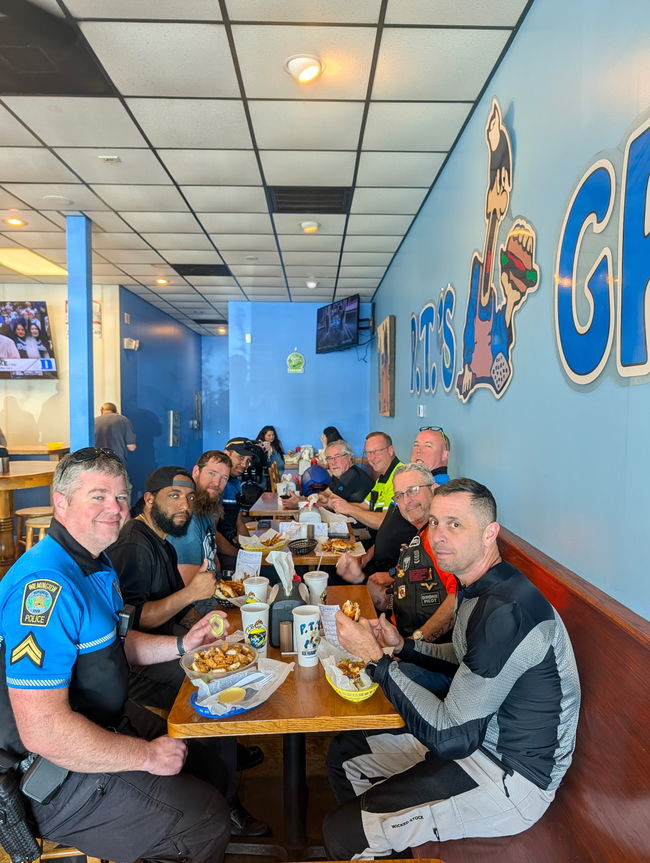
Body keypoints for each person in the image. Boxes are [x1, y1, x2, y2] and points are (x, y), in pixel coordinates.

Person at [324, 478, 581, 859]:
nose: (439, 535)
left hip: (510, 777)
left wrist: (377, 660)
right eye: (434, 522)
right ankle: (384, 842)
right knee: (346, 755)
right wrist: (403, 647)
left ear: (490, 533)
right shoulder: (479, 586)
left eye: (455, 524)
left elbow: (450, 737)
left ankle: (369, 837)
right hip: (477, 734)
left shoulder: (504, 612)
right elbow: (465, 661)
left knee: (340, 834)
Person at [0, 448, 232, 863]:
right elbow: (44, 732)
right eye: (99, 496)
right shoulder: (44, 586)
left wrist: (184, 645)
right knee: (205, 822)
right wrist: (147, 756)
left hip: (101, 721)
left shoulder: (94, 562)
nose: (115, 508)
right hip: (47, 771)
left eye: (121, 496)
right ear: (61, 502)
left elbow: (115, 643)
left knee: (208, 757)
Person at [109, 464, 267, 788]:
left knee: (232, 655)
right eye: (174, 496)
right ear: (149, 499)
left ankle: (226, 755)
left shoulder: (163, 542)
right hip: (134, 661)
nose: (184, 505)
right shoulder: (134, 544)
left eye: (189, 498)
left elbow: (174, 608)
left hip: (166, 641)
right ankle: (223, 794)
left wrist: (205, 626)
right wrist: (192, 593)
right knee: (217, 684)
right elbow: (134, 620)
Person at [337, 463, 457, 646]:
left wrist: (409, 647)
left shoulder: (443, 538)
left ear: (434, 489)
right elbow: (390, 602)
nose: (407, 501)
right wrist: (360, 579)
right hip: (392, 635)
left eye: (413, 490)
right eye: (399, 496)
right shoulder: (415, 541)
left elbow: (455, 602)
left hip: (421, 651)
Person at [168, 450, 231, 583]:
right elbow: (188, 586)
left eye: (224, 478)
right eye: (212, 473)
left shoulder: (204, 509)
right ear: (196, 472)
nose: (217, 483)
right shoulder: (186, 520)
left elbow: (214, 560)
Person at [327, 431, 402, 534]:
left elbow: (383, 522)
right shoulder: (382, 477)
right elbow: (365, 505)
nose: (372, 458)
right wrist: (342, 505)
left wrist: (349, 509)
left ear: (390, 450)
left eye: (376, 451)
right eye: (368, 453)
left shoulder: (399, 476)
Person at [319, 439, 373, 504]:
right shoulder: (339, 472)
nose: (333, 462)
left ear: (349, 457)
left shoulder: (351, 474)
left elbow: (333, 502)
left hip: (363, 510)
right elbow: (328, 491)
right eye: (329, 458)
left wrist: (319, 501)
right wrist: (320, 496)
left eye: (337, 456)